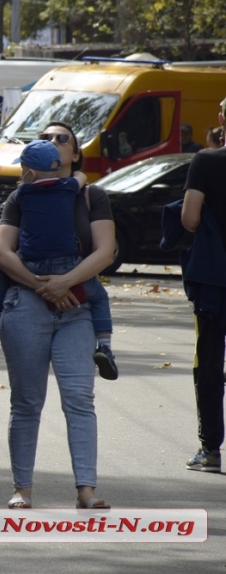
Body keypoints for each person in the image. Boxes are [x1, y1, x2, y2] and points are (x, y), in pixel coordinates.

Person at [0, 121, 116, 510]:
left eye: (62, 138)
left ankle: (87, 489)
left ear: (75, 153)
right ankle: (22, 489)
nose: (53, 142)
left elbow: (104, 252)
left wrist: (65, 283)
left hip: (76, 306)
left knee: (79, 396)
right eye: (46, 138)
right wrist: (39, 284)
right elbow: (2, 251)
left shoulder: (91, 195)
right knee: (27, 401)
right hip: (28, 304)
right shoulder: (21, 196)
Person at [0, 137, 119, 379]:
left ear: (27, 171)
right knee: (99, 296)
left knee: (4, 269)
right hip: (69, 263)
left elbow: (1, 253)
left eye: (62, 138)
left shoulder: (22, 194)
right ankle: (105, 345)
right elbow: (82, 179)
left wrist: (40, 284)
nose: (55, 140)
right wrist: (63, 282)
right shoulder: (69, 188)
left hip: (32, 264)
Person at [178, 96, 226, 473]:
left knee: (208, 362)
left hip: (215, 280)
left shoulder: (207, 161)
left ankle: (210, 450)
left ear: (223, 119)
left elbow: (190, 219)